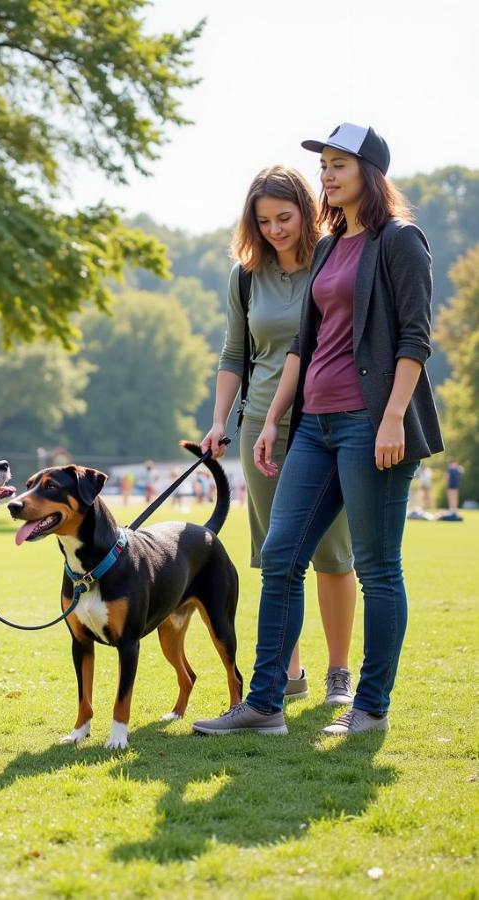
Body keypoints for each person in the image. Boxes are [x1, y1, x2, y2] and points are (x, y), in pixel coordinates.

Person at [195, 123, 443, 738]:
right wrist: (272, 418)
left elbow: (415, 338)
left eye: (340, 165)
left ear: (370, 173)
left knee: (377, 567)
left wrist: (391, 419)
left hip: (371, 425)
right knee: (280, 560)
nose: (327, 175)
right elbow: (303, 347)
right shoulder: (332, 246)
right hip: (313, 426)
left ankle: (370, 707)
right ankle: (266, 704)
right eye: (325, 166)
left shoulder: (400, 241)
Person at [202, 166, 357, 705]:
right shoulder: (245, 276)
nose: (274, 229)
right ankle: (291, 673)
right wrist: (220, 420)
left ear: (307, 210)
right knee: (276, 555)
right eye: (263, 220)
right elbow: (234, 354)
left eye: (284, 217)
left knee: (334, 554)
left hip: (326, 420)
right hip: (261, 427)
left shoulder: (334, 258)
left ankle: (340, 673)